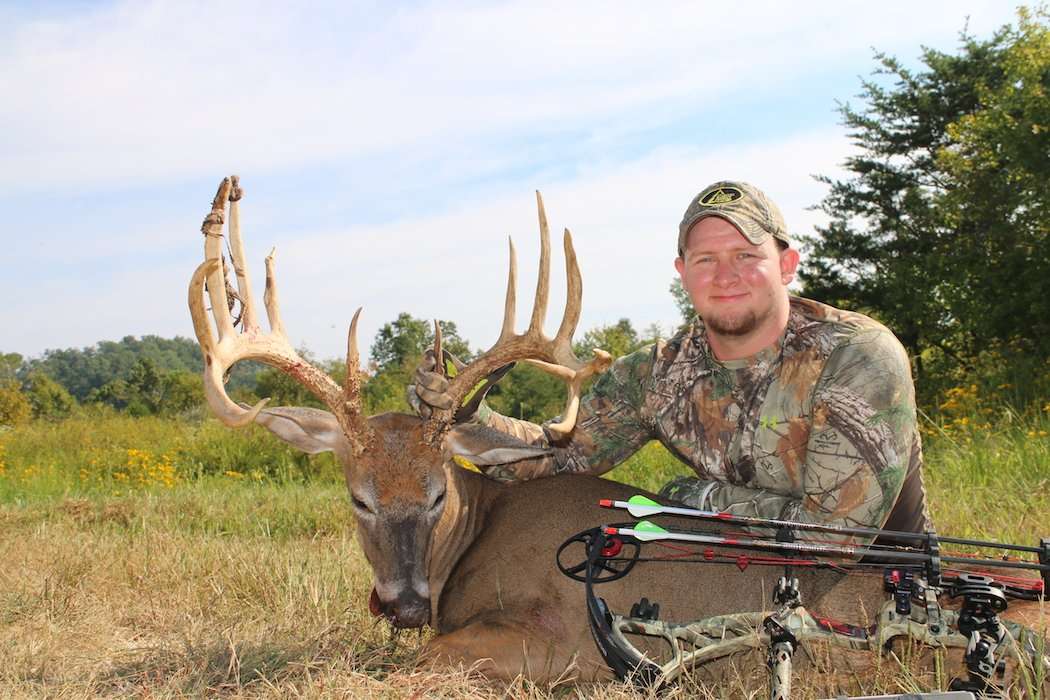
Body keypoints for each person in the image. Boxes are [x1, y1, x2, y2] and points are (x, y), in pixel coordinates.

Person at [412, 181, 929, 545]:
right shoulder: (658, 374)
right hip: (740, 581)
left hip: (876, 589)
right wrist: (467, 416)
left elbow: (835, 540)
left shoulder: (857, 356)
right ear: (683, 273)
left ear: (787, 265)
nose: (725, 275)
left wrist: (693, 499)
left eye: (746, 255)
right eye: (706, 260)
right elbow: (555, 457)